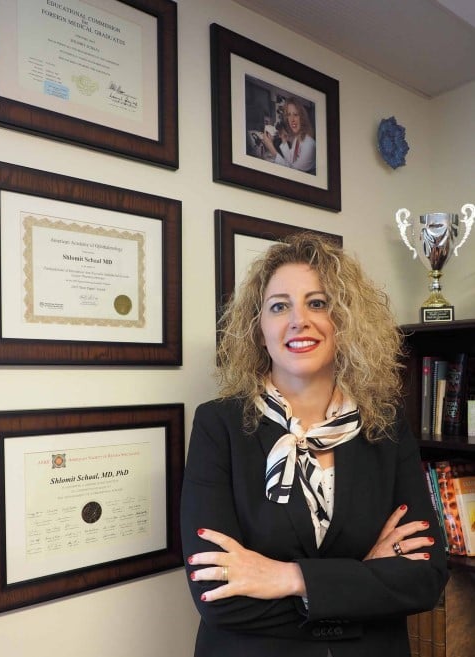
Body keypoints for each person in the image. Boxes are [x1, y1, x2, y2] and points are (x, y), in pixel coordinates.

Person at [180, 232, 448, 657]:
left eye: (318, 303)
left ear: (344, 321)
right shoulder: (219, 426)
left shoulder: (385, 424)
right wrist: (362, 579)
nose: (298, 320)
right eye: (279, 306)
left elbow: (425, 579)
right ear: (258, 328)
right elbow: (217, 597)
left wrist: (287, 578)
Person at [262, 97, 316, 173]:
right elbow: (290, 161)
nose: (292, 119)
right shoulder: (297, 138)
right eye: (289, 115)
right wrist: (284, 140)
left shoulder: (309, 144)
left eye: (295, 114)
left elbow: (292, 172)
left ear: (302, 118)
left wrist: (271, 148)